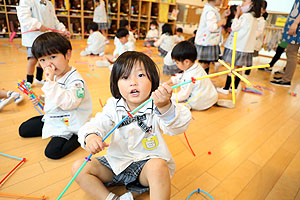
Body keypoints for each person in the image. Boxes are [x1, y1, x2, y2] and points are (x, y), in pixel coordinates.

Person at [72, 51, 192, 200]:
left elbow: (177, 126)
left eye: (140, 75)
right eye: (125, 77)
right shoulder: (113, 106)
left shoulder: (159, 103)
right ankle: (111, 198)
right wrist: (91, 136)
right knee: (79, 167)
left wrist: (165, 107)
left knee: (158, 167)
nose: (133, 82)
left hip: (145, 167)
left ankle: (139, 190)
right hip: (116, 164)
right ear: (116, 83)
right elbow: (96, 124)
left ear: (153, 80)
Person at [19, 32, 93, 159]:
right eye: (42, 60)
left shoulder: (76, 82)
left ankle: (79, 135)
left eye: (52, 57)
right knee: (24, 130)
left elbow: (69, 103)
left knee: (53, 152)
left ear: (68, 54)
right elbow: (55, 96)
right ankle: (53, 125)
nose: (48, 64)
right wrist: (41, 99)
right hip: (57, 116)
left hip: (72, 122)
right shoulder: (57, 76)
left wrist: (49, 83)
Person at [166, 41, 233, 110]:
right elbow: (182, 76)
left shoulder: (189, 77)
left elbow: (183, 95)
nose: (176, 65)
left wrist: (169, 96)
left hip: (199, 104)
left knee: (172, 102)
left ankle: (187, 106)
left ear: (186, 62)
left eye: (177, 62)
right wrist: (171, 80)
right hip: (212, 97)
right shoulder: (197, 67)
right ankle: (213, 102)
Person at [17, 0, 68, 86]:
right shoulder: (26, 1)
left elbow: (54, 20)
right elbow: (24, 17)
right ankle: (29, 80)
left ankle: (38, 78)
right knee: (32, 59)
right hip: (33, 37)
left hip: (46, 37)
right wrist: (38, 25)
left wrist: (62, 30)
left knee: (44, 58)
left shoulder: (49, 3)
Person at [217, 0, 263, 95]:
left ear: (252, 4)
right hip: (245, 48)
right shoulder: (254, 18)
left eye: (244, 2)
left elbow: (234, 28)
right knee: (239, 69)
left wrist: (237, 15)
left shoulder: (245, 17)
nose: (242, 4)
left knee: (232, 68)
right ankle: (234, 88)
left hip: (237, 47)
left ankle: (226, 88)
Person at [270, 0, 300, 87]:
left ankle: (286, 80)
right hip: (295, 25)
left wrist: (295, 23)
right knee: (290, 52)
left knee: (291, 52)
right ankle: (286, 77)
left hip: (297, 27)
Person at [194, 0, 229, 74]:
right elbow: (212, 27)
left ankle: (203, 80)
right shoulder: (210, 11)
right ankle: (200, 80)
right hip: (207, 42)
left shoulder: (211, 9)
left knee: (205, 64)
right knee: (204, 64)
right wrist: (222, 22)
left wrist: (223, 16)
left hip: (207, 41)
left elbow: (215, 22)